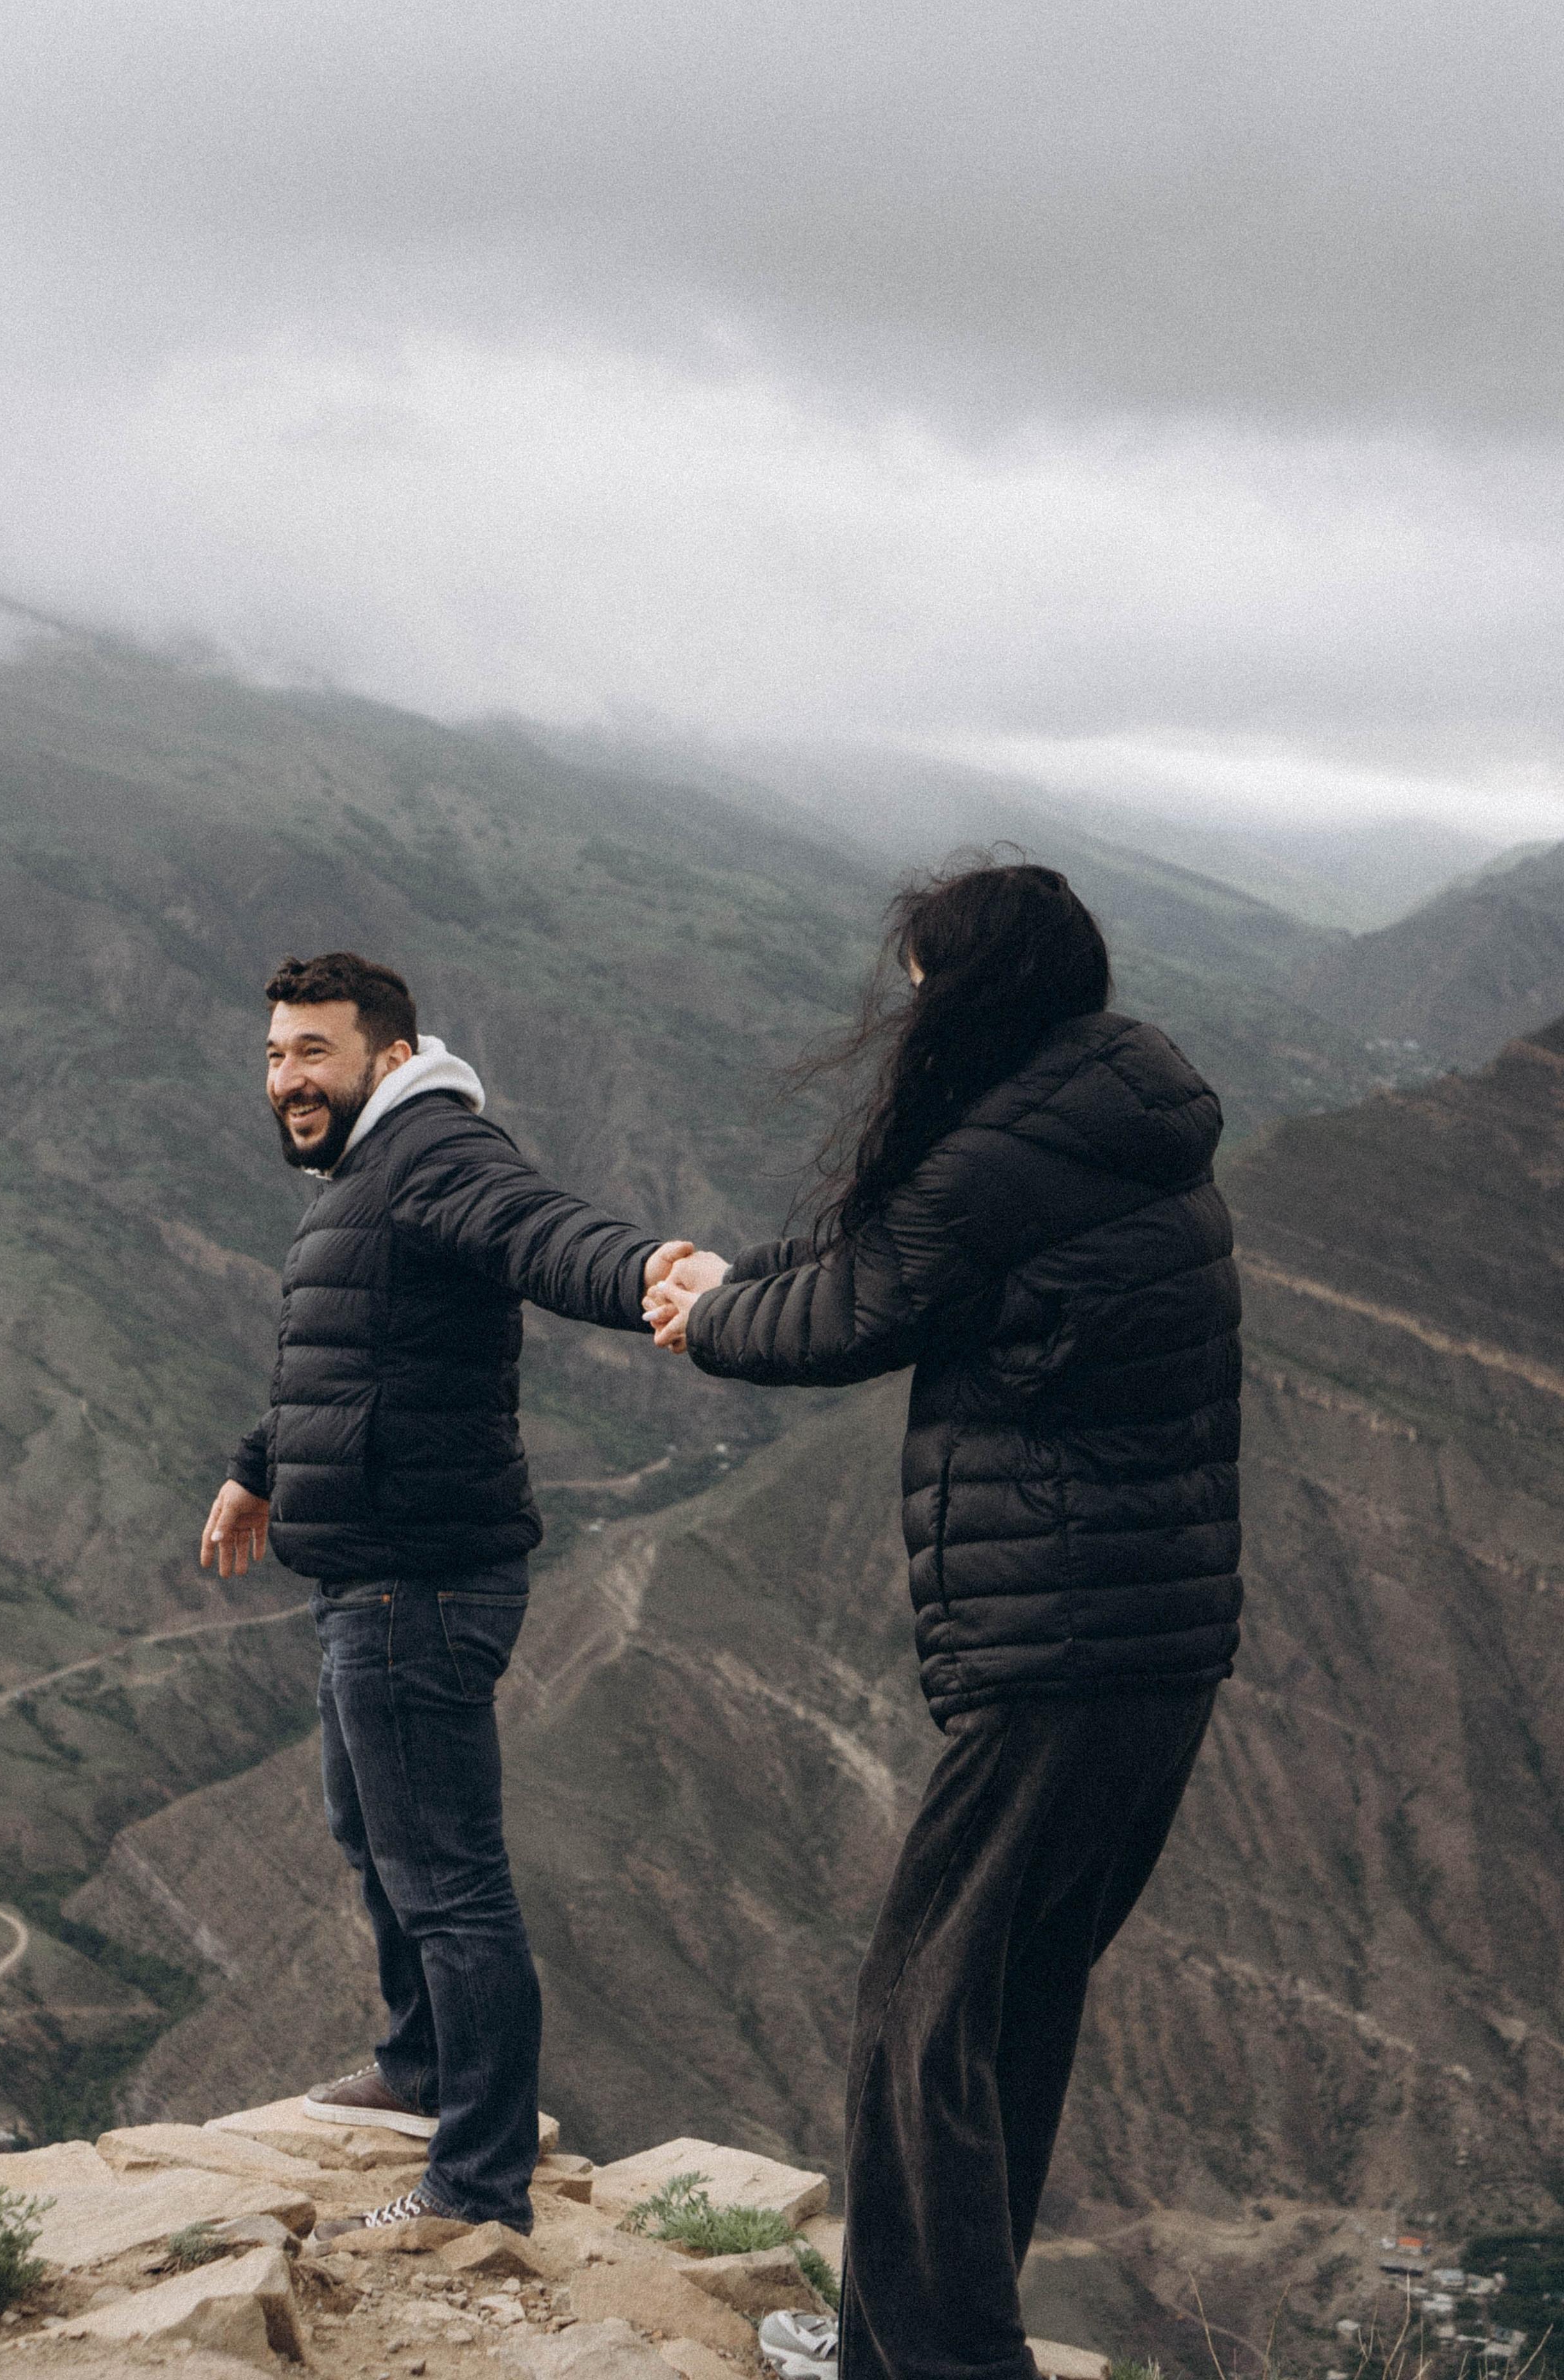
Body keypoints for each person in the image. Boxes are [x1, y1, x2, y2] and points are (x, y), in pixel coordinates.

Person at [643, 861, 1242, 2380]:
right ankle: (902, 2343)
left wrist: (708, 1316)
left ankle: (934, 2364)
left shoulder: (1002, 1154)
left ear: (966, 993)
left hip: (1057, 1650)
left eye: (919, 985)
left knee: (916, 2016)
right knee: (1006, 2002)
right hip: (1154, 1651)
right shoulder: (1112, 1118)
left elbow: (854, 1314)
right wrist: (734, 1276)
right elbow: (896, 1260)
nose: (906, 1016)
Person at [200, 950, 693, 2238]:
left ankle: (474, 2190)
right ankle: (420, 2070)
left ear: (390, 1054)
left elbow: (543, 1233)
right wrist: (258, 1470)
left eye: (314, 1051)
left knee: (448, 1883)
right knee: (371, 1838)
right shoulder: (368, 1173)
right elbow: (342, 1346)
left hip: (416, 1585)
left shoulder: (432, 1152)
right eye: (273, 1054)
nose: (287, 1077)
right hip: (367, 1572)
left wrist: (649, 1271)